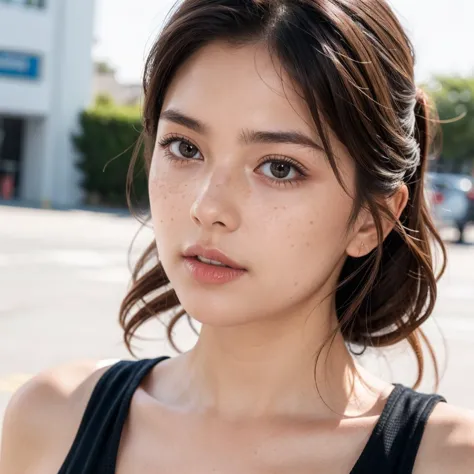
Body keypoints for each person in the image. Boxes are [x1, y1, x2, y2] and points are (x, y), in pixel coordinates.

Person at [1, 1, 474, 473]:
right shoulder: (52, 420)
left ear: (371, 220)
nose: (207, 207)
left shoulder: (447, 459)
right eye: (185, 148)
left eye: (279, 167)